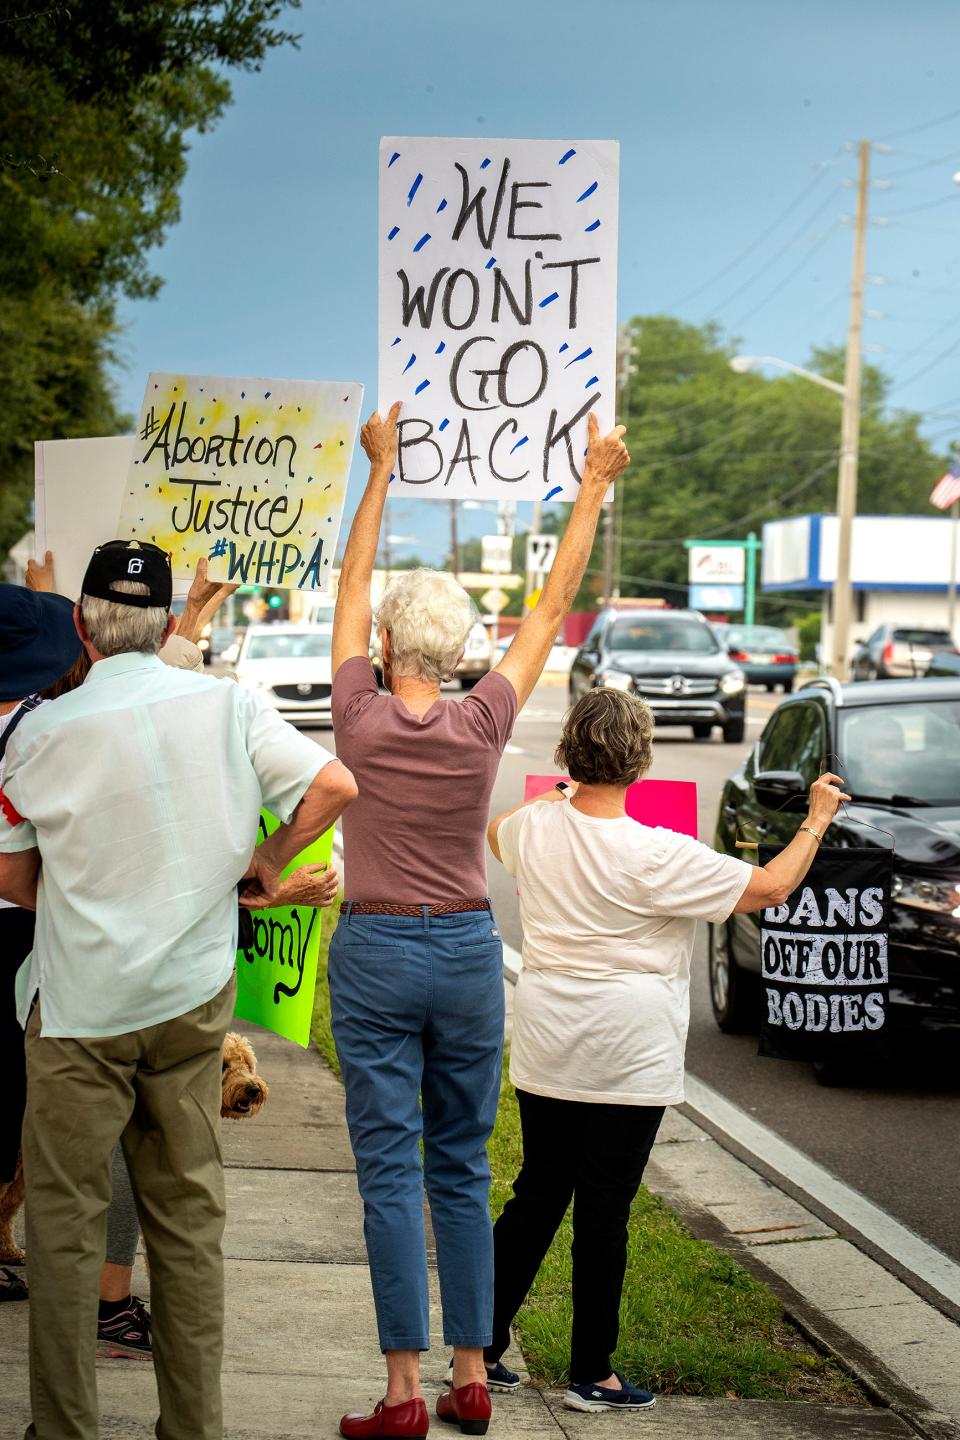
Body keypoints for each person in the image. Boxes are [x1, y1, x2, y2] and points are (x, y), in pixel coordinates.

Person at [0, 539, 358, 1440]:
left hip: (79, 1005)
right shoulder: (230, 706)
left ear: (83, 625)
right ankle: (191, 1428)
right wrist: (266, 864)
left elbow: (15, 882)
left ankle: (64, 1428)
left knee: (64, 1224)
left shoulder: (34, 734)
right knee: (188, 1221)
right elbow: (334, 784)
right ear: (165, 627)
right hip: (192, 997)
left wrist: (89, 895)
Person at [330, 403, 630, 1440]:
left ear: (380, 645)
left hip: (373, 945)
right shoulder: (484, 718)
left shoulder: (357, 715)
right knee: (461, 1163)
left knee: (388, 1169)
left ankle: (403, 1393)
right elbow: (552, 605)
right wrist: (590, 483)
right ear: (459, 650)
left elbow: (352, 583)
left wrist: (379, 472)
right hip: (465, 949)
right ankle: (470, 1371)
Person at [486, 687, 849, 1413]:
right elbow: (773, 887)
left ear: (568, 754)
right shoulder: (660, 854)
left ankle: (483, 1344)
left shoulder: (531, 826)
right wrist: (816, 819)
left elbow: (497, 834)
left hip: (549, 1038)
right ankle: (592, 1372)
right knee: (604, 1208)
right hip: (627, 1049)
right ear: (641, 761)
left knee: (536, 1193)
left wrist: (559, 793)